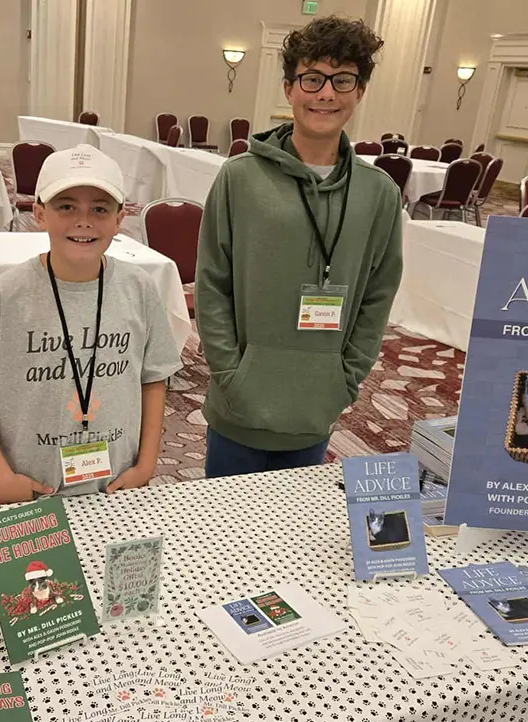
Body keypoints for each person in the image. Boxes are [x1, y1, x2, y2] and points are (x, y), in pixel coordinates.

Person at [195, 15, 401, 478]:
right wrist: (231, 376)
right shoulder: (240, 177)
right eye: (312, 79)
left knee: (291, 537)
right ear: (289, 89)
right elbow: (212, 283)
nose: (326, 93)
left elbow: (377, 294)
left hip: (316, 407)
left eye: (342, 80)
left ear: (359, 91)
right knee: (225, 536)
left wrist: (344, 381)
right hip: (239, 407)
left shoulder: (378, 192)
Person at [0, 145, 181, 503]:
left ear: (120, 218)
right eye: (66, 206)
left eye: (100, 208)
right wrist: (0, 477)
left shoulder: (139, 290)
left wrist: (146, 464)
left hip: (117, 485)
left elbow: (153, 378)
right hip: (31, 488)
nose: (84, 220)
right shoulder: (2, 299)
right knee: (38, 563)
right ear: (39, 214)